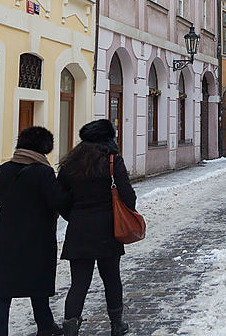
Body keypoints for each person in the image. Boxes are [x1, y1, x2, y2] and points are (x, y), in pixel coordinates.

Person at [0, 126, 67, 336]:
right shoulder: (43, 172)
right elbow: (57, 201)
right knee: (37, 283)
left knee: (2, 290)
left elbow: (0, 198)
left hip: (5, 235)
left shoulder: (4, 170)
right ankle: (46, 326)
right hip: (36, 237)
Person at [58, 119, 137, 336]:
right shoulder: (112, 161)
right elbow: (128, 197)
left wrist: (74, 216)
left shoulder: (70, 163)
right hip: (108, 229)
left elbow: (60, 198)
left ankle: (71, 327)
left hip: (79, 230)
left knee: (79, 283)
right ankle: (116, 324)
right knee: (111, 278)